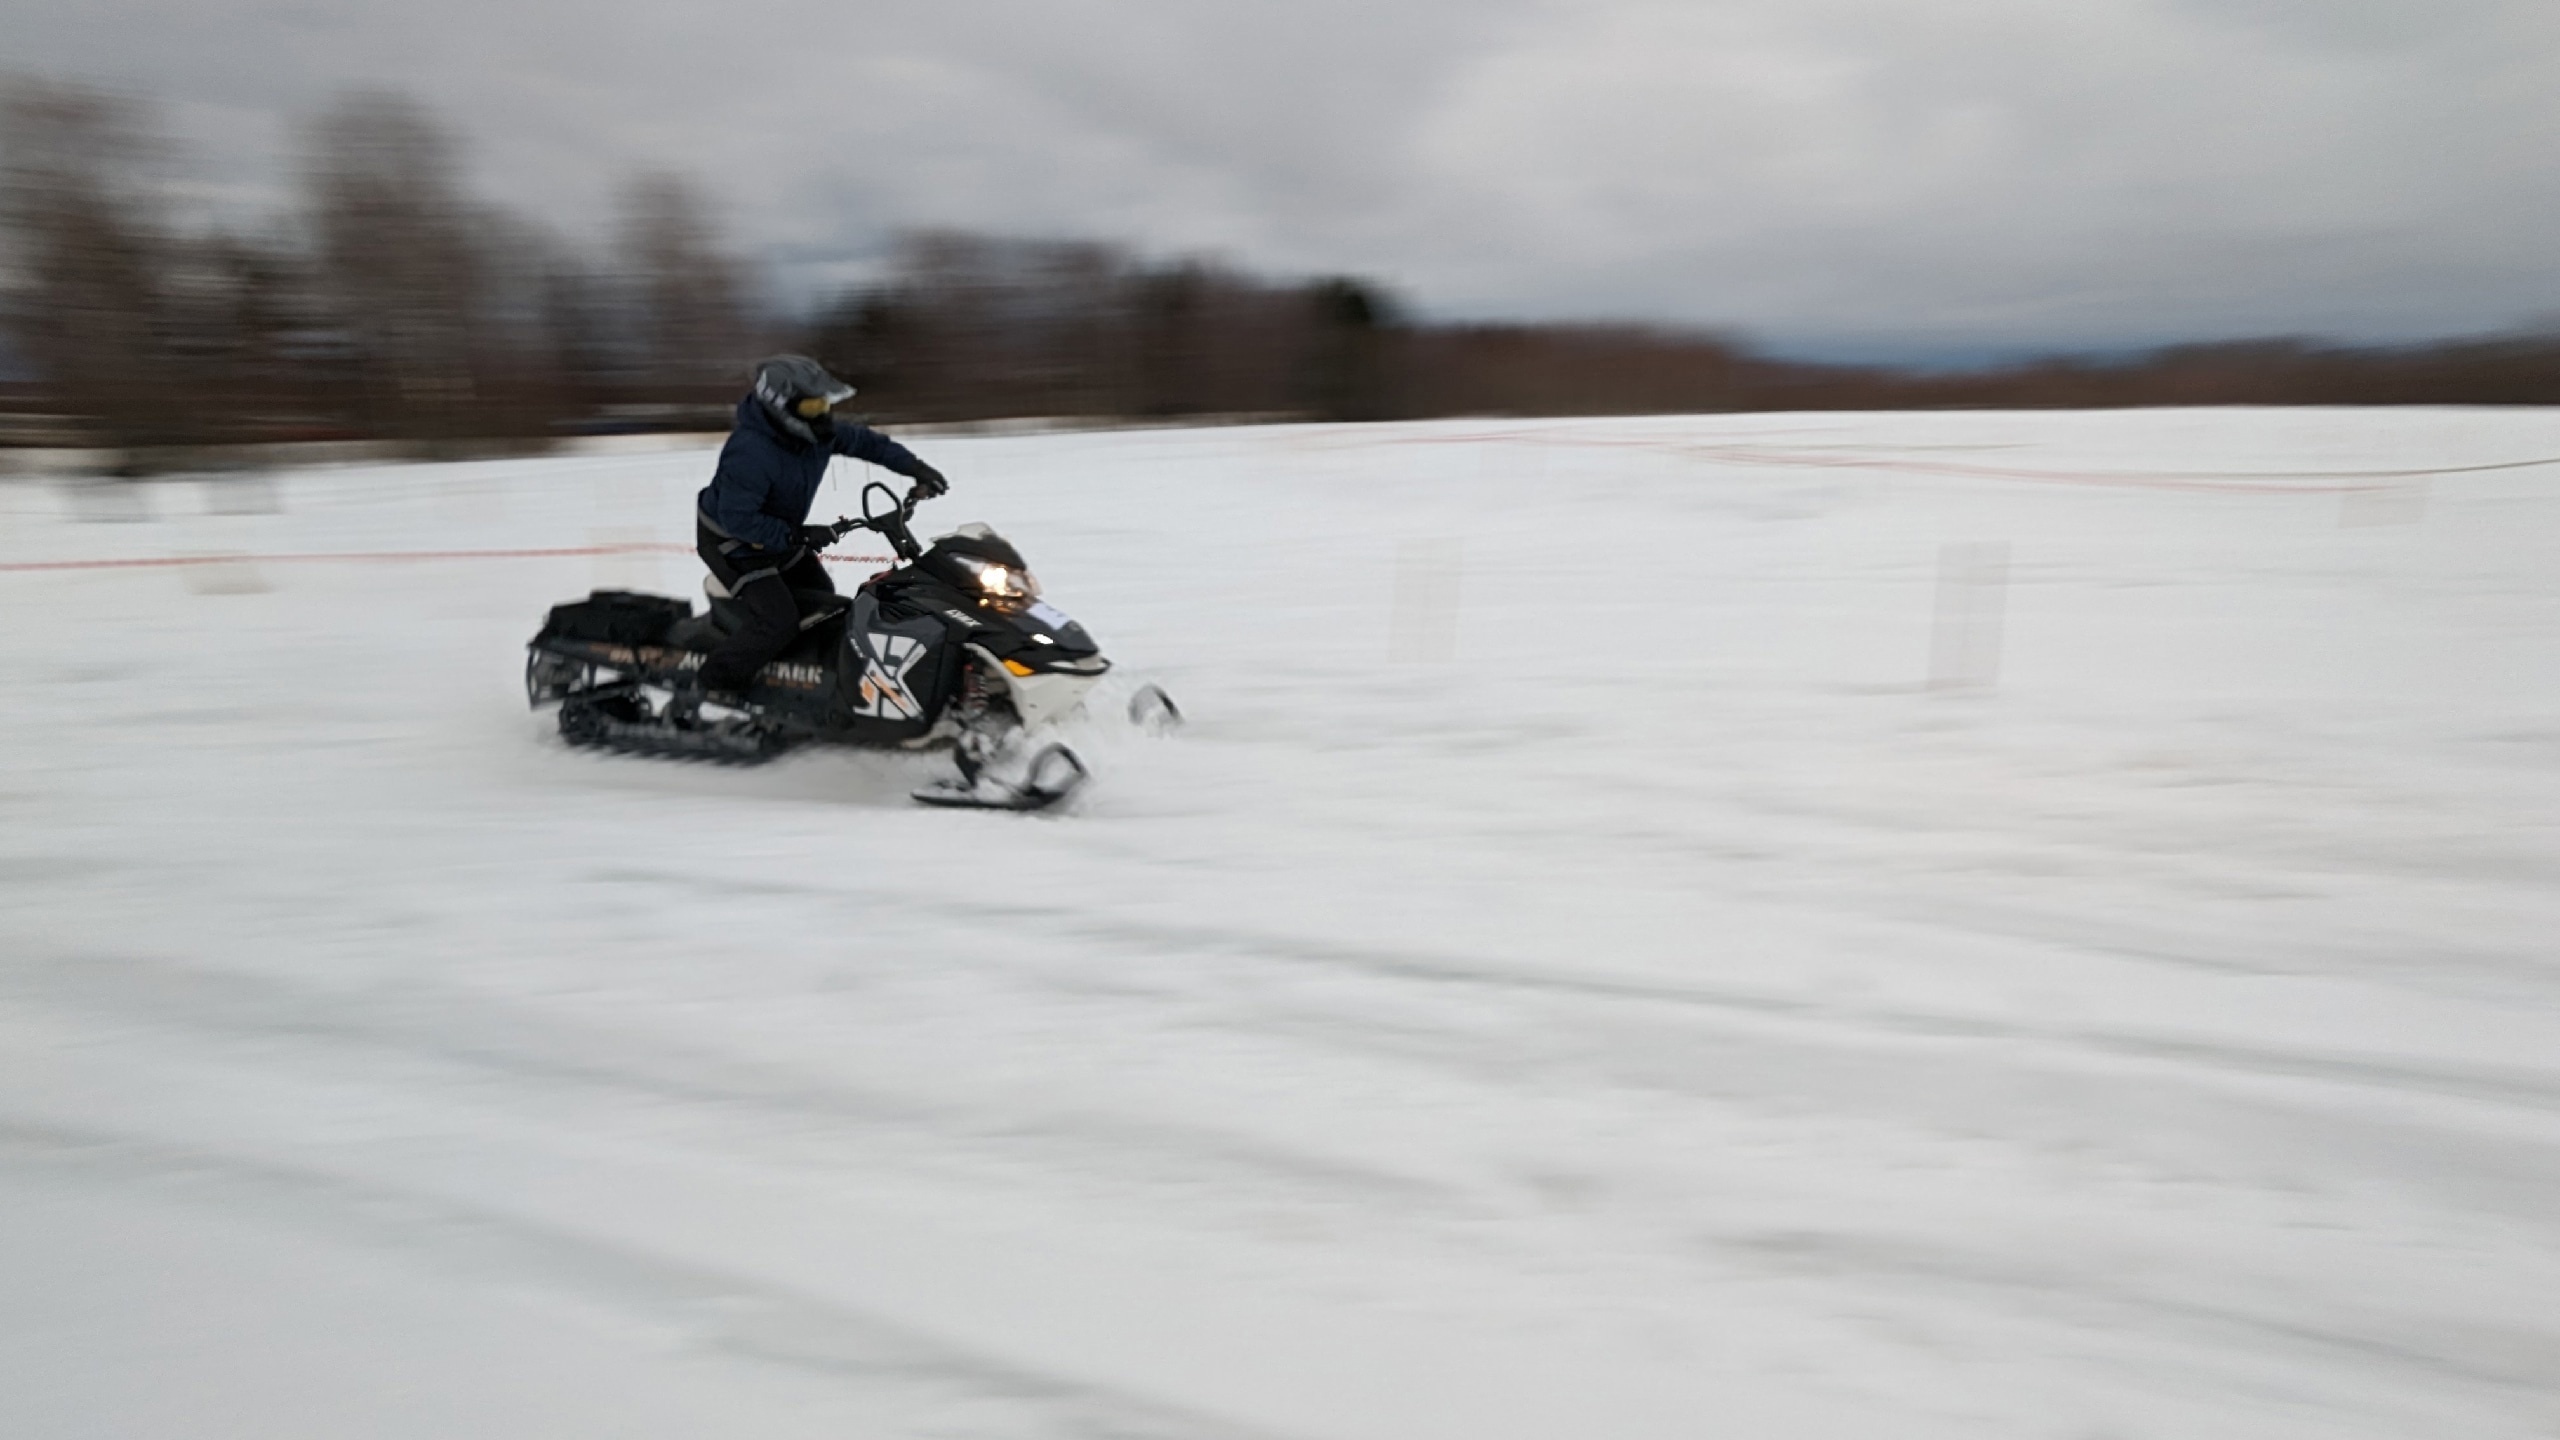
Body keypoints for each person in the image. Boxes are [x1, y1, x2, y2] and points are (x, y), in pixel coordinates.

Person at [684, 355, 946, 714]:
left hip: (779, 532)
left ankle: (795, 676)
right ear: (780, 406)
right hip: (733, 543)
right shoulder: (750, 452)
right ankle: (713, 686)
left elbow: (869, 444)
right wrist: (795, 536)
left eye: (824, 404)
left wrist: (916, 468)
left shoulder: (813, 433)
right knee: (778, 620)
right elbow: (737, 518)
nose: (822, 413)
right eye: (812, 405)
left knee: (823, 603)